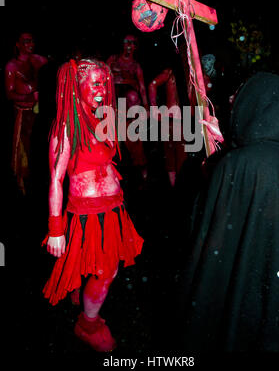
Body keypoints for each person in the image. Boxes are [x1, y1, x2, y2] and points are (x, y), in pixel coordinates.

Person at [179, 71, 279, 352]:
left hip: (250, 292)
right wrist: (223, 147)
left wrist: (216, 166)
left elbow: (211, 222)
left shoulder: (246, 163)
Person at [42, 57, 144, 352]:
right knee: (106, 271)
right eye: (96, 83)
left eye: (105, 82)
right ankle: (87, 323)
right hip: (87, 213)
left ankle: (82, 298)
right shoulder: (65, 128)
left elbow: (143, 125)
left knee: (99, 267)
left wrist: (198, 121)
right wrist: (56, 229)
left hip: (113, 210)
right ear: (77, 87)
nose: (103, 88)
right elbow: (55, 180)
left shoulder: (103, 119)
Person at [5, 32, 47, 195]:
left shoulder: (38, 60)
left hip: (38, 113)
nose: (30, 44)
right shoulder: (12, 66)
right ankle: (21, 184)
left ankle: (37, 182)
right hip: (22, 113)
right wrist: (28, 96)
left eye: (32, 41)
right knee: (23, 149)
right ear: (18, 44)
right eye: (26, 41)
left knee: (38, 148)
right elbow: (9, 94)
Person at [107, 34, 149, 181]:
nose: (129, 45)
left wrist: (147, 107)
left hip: (130, 110)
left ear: (136, 46)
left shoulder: (136, 66)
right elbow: (103, 77)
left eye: (132, 42)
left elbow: (142, 87)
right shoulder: (113, 60)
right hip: (113, 107)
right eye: (126, 42)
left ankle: (141, 174)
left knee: (134, 142)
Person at [148, 67, 186, 187]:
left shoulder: (192, 73)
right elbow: (152, 84)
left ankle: (178, 189)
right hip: (171, 120)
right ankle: (176, 189)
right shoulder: (170, 73)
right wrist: (154, 109)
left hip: (184, 121)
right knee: (173, 158)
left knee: (180, 157)